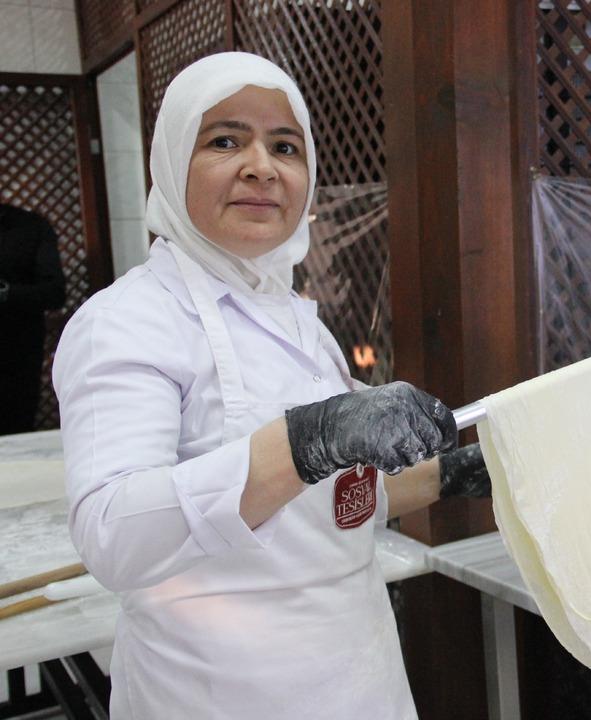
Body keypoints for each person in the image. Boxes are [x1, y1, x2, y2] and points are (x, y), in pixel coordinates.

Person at [53, 53, 489, 719]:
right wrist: (307, 439)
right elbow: (114, 537)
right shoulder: (126, 324)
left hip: (356, 674)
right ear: (171, 161)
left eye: (285, 146)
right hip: (215, 691)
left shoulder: (297, 323)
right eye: (225, 140)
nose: (261, 166)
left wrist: (457, 473)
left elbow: (334, 504)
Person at [0, 203, 65, 434]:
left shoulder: (30, 227)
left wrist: (9, 293)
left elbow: (56, 292)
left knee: (15, 432)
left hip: (16, 356)